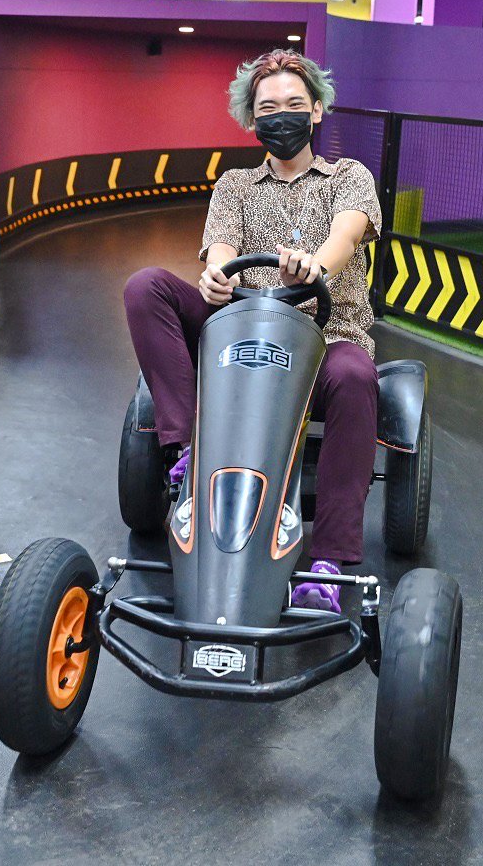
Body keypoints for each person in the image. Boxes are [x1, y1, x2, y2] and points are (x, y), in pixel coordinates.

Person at [122, 49, 381, 614]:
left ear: (316, 110)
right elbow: (220, 248)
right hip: (239, 335)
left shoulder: (348, 177)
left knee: (356, 375)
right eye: (268, 108)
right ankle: (188, 451)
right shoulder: (236, 185)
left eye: (293, 104)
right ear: (252, 119)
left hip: (324, 337)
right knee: (146, 287)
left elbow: (346, 234)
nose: (281, 116)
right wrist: (217, 277)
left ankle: (329, 563)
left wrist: (315, 267)